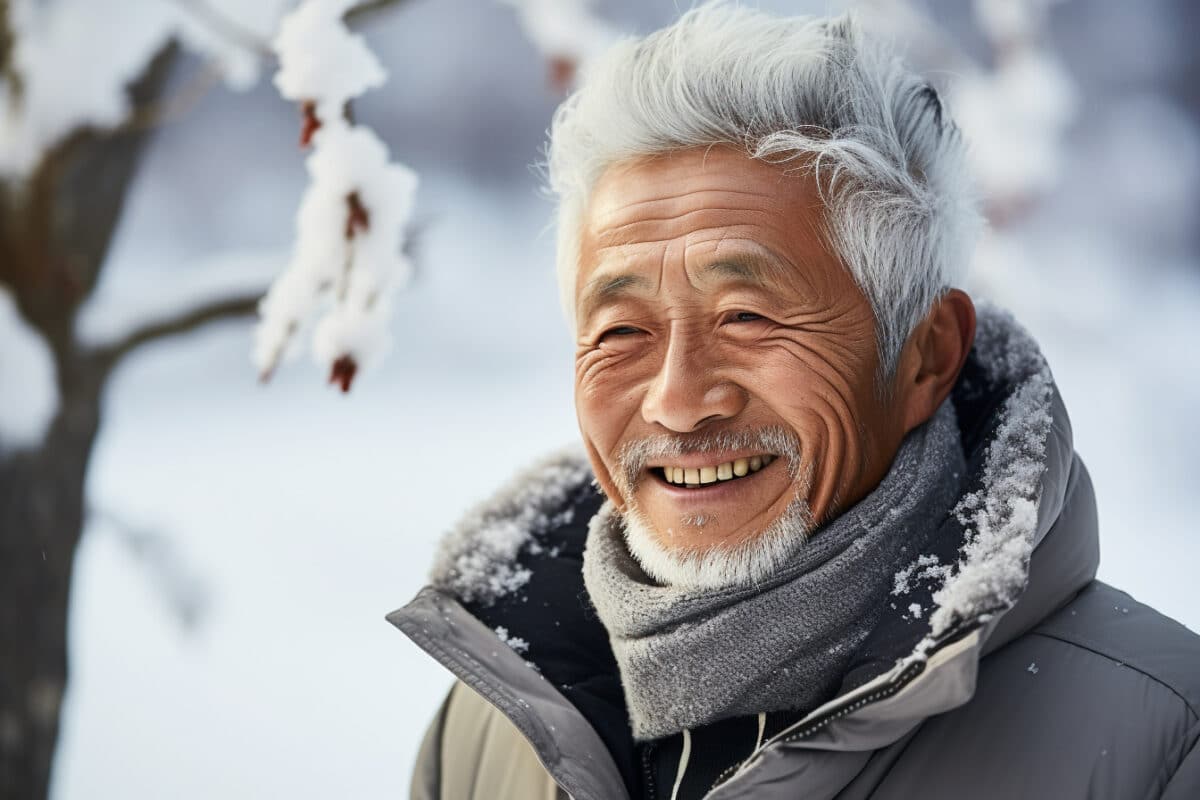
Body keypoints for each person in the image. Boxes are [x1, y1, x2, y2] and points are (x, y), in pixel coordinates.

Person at [389, 6, 1200, 799]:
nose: (677, 402)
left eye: (747, 318)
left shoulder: (1158, 746)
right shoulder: (497, 722)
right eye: (623, 330)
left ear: (925, 355)